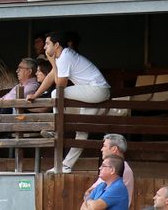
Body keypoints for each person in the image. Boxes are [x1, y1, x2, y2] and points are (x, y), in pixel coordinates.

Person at [37, 31, 112, 173]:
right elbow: (51, 77)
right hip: (94, 91)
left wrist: (52, 62)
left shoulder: (65, 56)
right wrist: (35, 94)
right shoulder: (62, 56)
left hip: (97, 90)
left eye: (47, 44)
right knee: (82, 131)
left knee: (55, 93)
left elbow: (60, 85)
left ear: (57, 45)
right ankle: (66, 166)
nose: (45, 48)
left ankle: (56, 127)